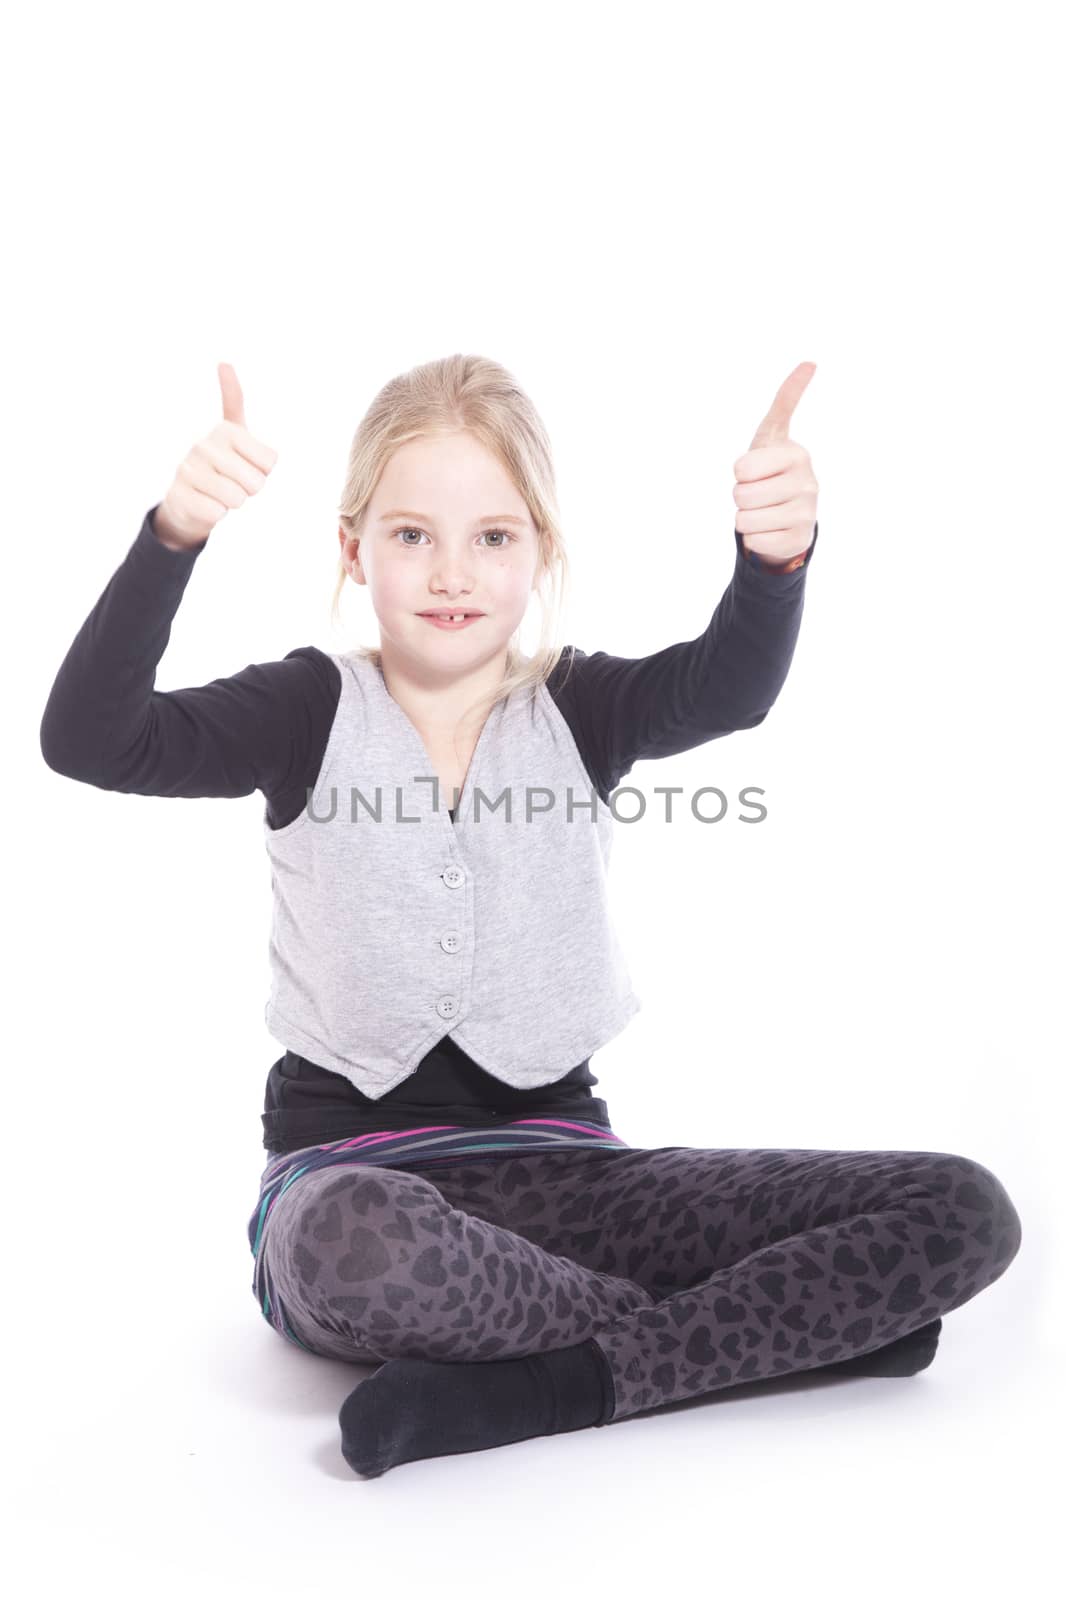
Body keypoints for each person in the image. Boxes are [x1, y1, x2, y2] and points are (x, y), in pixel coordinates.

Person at [39, 354, 1023, 1479]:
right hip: (354, 1178)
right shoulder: (305, 708)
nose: (452, 571)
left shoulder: (581, 704)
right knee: (355, 1247)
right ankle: (762, 1344)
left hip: (578, 1178)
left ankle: (549, 1387)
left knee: (957, 1208)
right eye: (412, 535)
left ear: (540, 552)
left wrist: (772, 558)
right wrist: (175, 534)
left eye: (493, 537)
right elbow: (91, 739)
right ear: (353, 550)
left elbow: (728, 688)